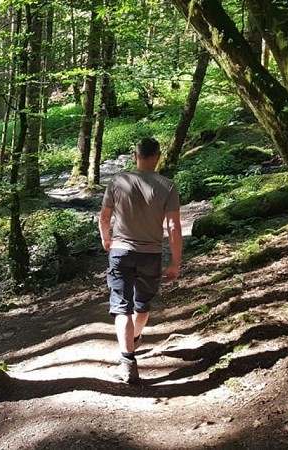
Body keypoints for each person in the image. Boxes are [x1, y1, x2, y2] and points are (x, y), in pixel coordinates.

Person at [98, 137, 182, 384]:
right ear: (158, 156)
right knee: (142, 305)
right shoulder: (168, 186)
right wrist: (175, 262)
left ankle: (127, 362)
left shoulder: (118, 181)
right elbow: (174, 226)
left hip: (121, 252)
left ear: (135, 156)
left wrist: (106, 239)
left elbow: (104, 217)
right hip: (151, 255)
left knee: (121, 307)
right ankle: (133, 339)